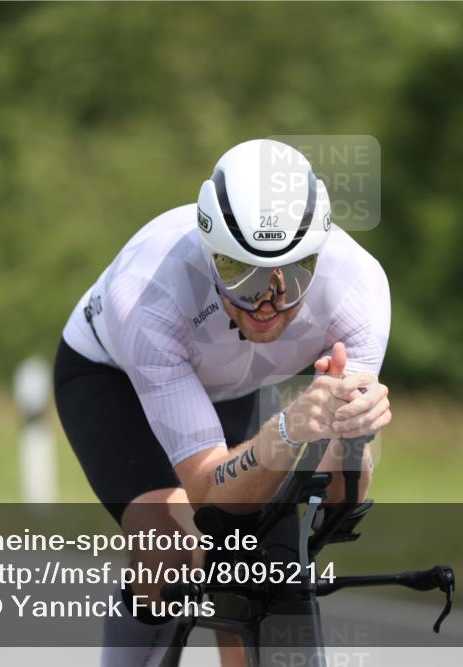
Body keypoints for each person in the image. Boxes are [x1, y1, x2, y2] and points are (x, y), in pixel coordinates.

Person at [53, 138, 391, 666]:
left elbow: (339, 499)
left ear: (319, 253)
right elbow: (208, 492)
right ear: (210, 249)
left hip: (238, 387)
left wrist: (352, 443)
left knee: (267, 572)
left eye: (292, 275)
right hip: (112, 378)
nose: (266, 302)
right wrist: (287, 433)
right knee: (172, 546)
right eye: (241, 272)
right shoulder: (149, 295)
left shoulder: (359, 288)